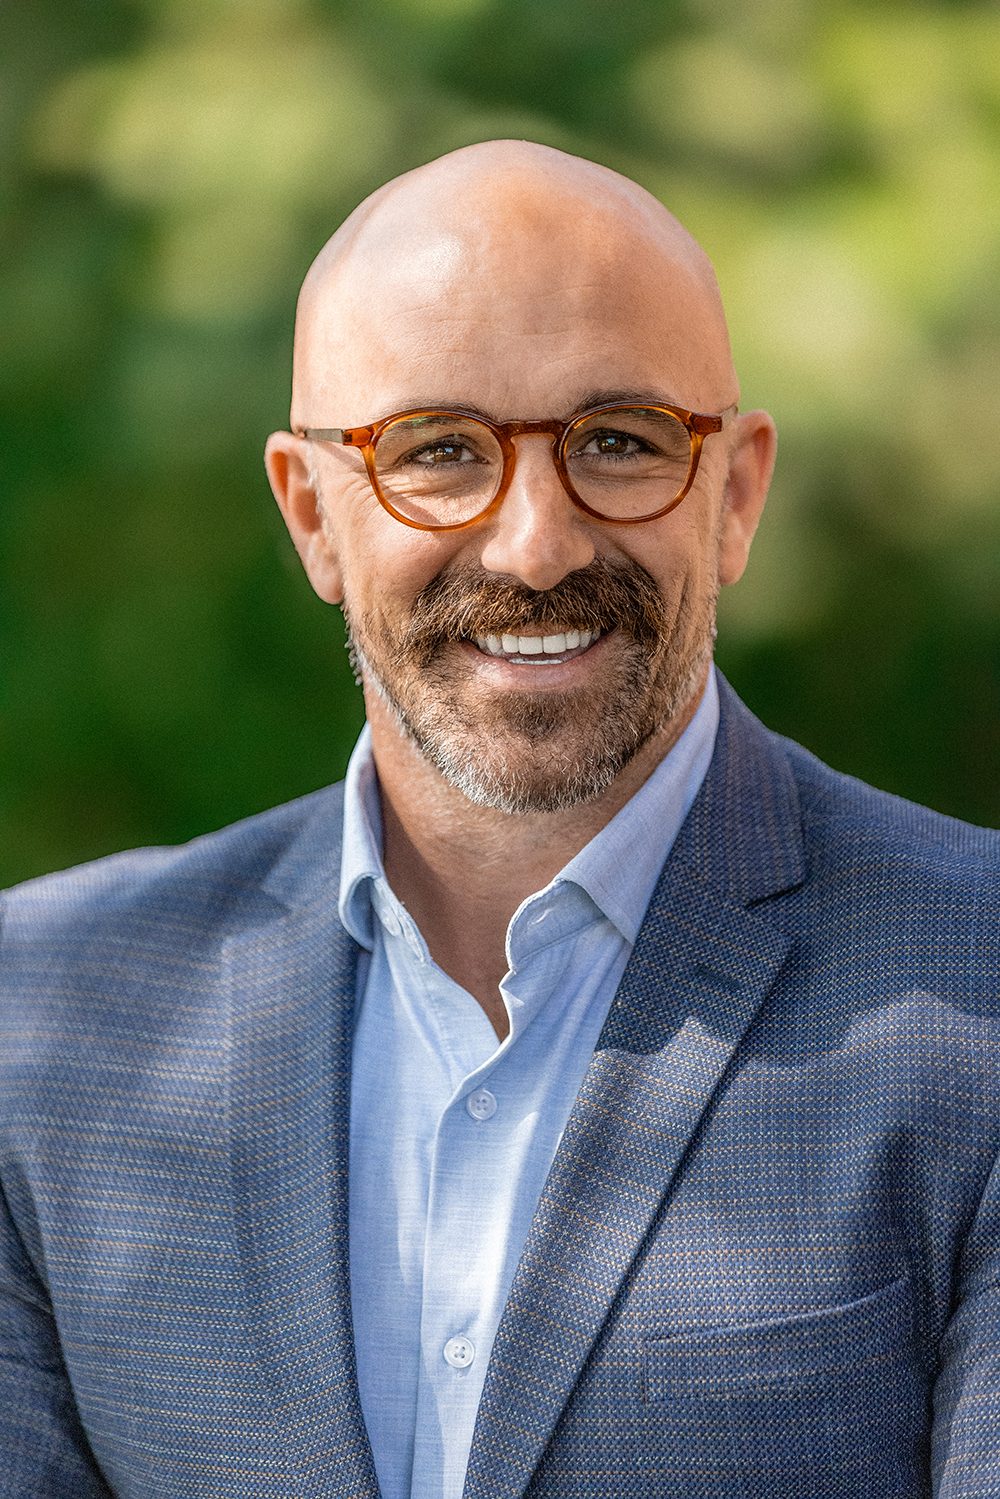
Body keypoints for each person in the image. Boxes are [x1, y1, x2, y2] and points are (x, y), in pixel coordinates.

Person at [1, 140, 997, 1499]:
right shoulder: (46, 1021)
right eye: (439, 452)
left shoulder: (976, 986)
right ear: (312, 515)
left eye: (620, 442)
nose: (536, 546)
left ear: (736, 495)